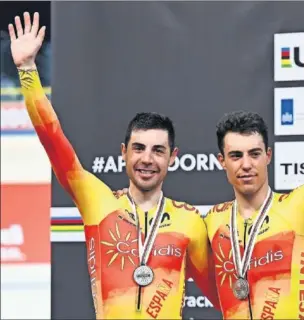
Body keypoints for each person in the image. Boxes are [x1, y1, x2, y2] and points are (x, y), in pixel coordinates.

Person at [8, 12, 220, 319]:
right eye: (139, 148)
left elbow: (224, 297)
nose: (147, 159)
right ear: (124, 153)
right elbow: (53, 140)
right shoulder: (99, 202)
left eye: (158, 150)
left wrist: (292, 285)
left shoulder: (189, 223)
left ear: (172, 158)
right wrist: (28, 70)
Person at [203, 38, 304, 319]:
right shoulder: (211, 222)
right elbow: (221, 298)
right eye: (236, 156)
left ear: (268, 156)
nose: (246, 165)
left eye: (254, 154)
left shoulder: (300, 205)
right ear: (222, 161)